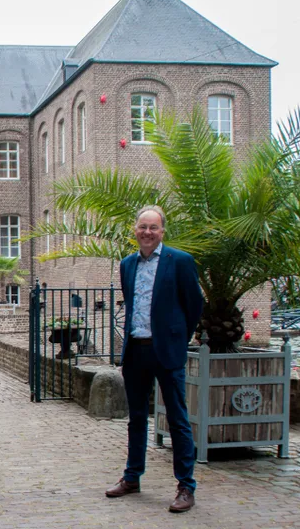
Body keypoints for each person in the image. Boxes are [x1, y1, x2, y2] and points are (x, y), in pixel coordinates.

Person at [106, 206, 203, 513]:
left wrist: (178, 338)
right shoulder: (127, 264)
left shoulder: (180, 262)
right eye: (142, 227)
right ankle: (132, 477)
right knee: (136, 418)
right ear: (135, 230)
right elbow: (132, 303)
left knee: (178, 419)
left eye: (153, 228)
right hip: (136, 350)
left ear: (162, 232)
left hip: (168, 351)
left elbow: (194, 306)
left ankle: (186, 486)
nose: (147, 232)